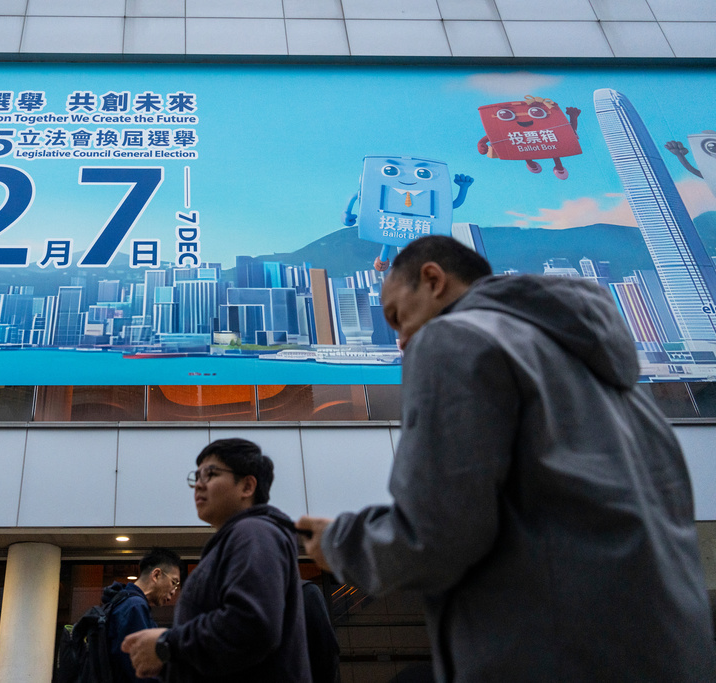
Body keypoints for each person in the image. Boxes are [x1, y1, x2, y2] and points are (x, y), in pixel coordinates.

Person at [297, 235, 716, 682]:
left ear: (433, 279)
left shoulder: (453, 339)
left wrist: (338, 543)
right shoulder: (622, 385)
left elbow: (437, 533)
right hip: (670, 650)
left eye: (398, 318)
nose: (401, 342)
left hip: (554, 657)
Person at [122, 438, 311, 683]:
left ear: (247, 486)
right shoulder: (239, 538)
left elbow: (252, 626)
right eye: (197, 476)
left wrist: (168, 644)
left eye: (210, 474)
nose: (198, 485)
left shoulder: (254, 533)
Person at [103, 547, 182, 683]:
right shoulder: (134, 606)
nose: (174, 591)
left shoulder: (121, 601)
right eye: (174, 583)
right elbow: (140, 670)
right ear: (156, 575)